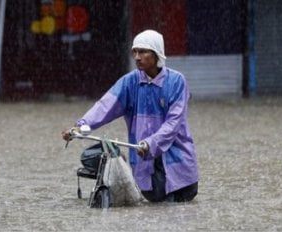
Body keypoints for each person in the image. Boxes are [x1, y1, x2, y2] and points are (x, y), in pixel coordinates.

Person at [62, 29, 198, 202]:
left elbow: (173, 124)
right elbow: (104, 107)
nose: (137, 57)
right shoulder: (129, 82)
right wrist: (80, 127)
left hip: (180, 173)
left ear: (157, 54)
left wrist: (150, 144)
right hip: (146, 169)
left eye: (143, 52)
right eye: (135, 51)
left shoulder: (177, 82)